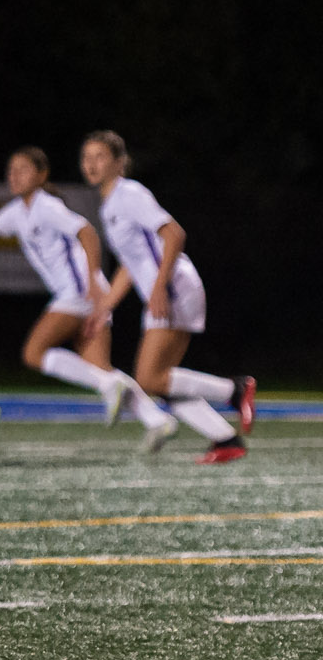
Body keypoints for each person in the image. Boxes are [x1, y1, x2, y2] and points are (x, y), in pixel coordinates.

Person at [0, 147, 171, 442]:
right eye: (11, 170)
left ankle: (112, 386)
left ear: (42, 175)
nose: (14, 175)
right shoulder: (18, 210)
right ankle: (157, 419)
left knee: (34, 353)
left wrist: (94, 282)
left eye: (23, 169)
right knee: (99, 369)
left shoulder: (46, 206)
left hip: (79, 292)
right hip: (87, 293)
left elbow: (87, 232)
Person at [81, 131, 254, 462]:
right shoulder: (109, 206)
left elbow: (175, 233)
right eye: (86, 157)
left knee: (148, 377)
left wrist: (160, 286)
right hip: (162, 290)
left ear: (119, 162)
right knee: (161, 380)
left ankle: (235, 390)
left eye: (100, 156)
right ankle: (226, 439)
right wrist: (104, 307)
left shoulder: (129, 193)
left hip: (173, 287)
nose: (91, 164)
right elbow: (130, 266)